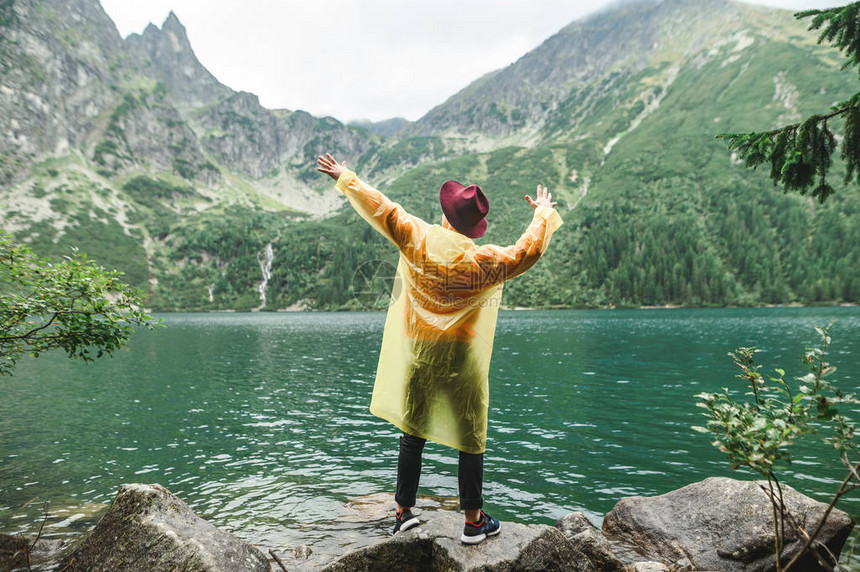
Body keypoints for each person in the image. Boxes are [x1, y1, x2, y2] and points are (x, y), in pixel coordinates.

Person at [316, 153, 563, 544]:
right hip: (462, 358)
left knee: (413, 433)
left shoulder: (417, 237)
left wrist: (346, 177)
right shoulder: (483, 261)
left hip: (421, 353)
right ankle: (472, 520)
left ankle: (403, 512)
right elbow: (526, 251)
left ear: (447, 216)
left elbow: (381, 207)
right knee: (471, 436)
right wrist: (543, 214)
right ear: (474, 228)